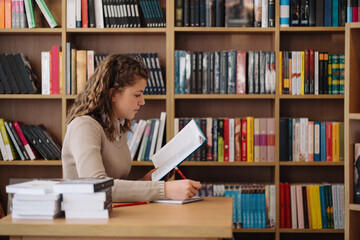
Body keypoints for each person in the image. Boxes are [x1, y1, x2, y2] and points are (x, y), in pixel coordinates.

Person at [61, 54, 201, 202]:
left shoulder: (117, 127)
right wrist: (164, 190)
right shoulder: (84, 127)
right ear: (113, 94)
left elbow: (114, 187)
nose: (143, 101)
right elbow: (98, 187)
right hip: (85, 220)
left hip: (110, 215)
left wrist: (146, 182)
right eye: (137, 95)